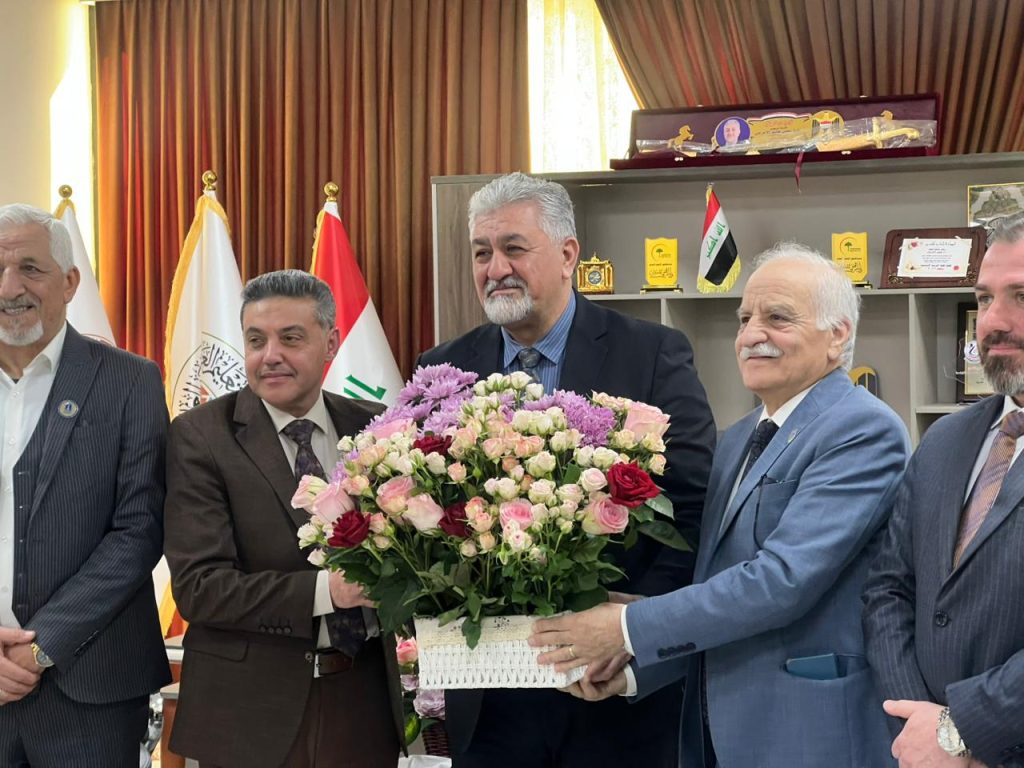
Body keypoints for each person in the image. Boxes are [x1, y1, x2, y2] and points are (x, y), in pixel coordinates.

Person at [532, 243, 910, 768]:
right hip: (716, 734)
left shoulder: (863, 429)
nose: (752, 334)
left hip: (807, 736)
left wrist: (625, 628)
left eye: (777, 318)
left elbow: (779, 582)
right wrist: (635, 669)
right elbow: (717, 586)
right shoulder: (736, 439)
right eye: (744, 318)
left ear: (838, 335)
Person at [417, 172, 716, 768]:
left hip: (614, 693)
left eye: (514, 248)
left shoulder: (651, 352)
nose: (496, 268)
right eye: (481, 253)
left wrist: (634, 626)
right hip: (492, 698)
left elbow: (693, 505)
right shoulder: (443, 368)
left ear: (568, 255)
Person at [164, 270, 403, 768]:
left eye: (290, 338)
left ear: (331, 342)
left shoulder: (375, 427)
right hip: (249, 716)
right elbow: (200, 588)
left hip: (363, 706)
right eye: (256, 340)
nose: (269, 355)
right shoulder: (201, 436)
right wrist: (329, 592)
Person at [0, 204, 170, 766]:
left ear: (71, 282)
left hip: (91, 694)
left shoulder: (130, 380)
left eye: (30, 268)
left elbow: (139, 529)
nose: (10, 287)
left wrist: (40, 645)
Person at [863, 212, 1024, 768]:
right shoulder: (944, 439)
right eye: (983, 298)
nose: (993, 322)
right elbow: (888, 588)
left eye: (1021, 296)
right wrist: (921, 723)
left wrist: (960, 730)